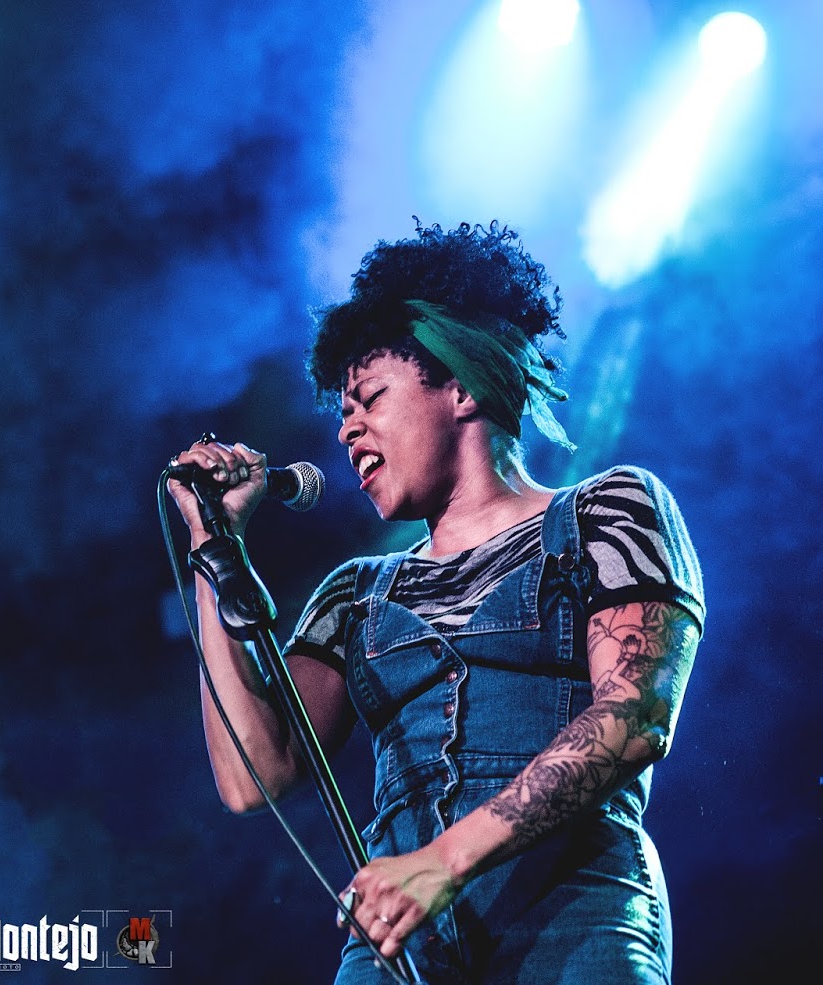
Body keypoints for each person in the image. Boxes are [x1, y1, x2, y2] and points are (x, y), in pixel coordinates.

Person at [166, 222, 703, 984]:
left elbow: (637, 716)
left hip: (575, 921)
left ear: (462, 386)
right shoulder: (355, 594)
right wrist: (210, 544)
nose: (347, 429)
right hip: (399, 947)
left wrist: (443, 861)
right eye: (343, 411)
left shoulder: (607, 513)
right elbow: (252, 776)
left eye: (371, 398)